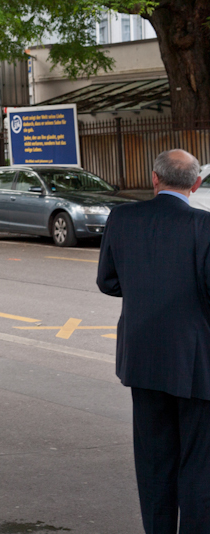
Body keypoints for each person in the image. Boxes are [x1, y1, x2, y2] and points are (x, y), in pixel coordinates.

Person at [97, 148, 210, 534]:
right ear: (195, 184)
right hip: (197, 361)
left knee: (153, 460)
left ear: (154, 179)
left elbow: (108, 282)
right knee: (199, 462)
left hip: (142, 357)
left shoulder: (122, 218)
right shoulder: (204, 225)